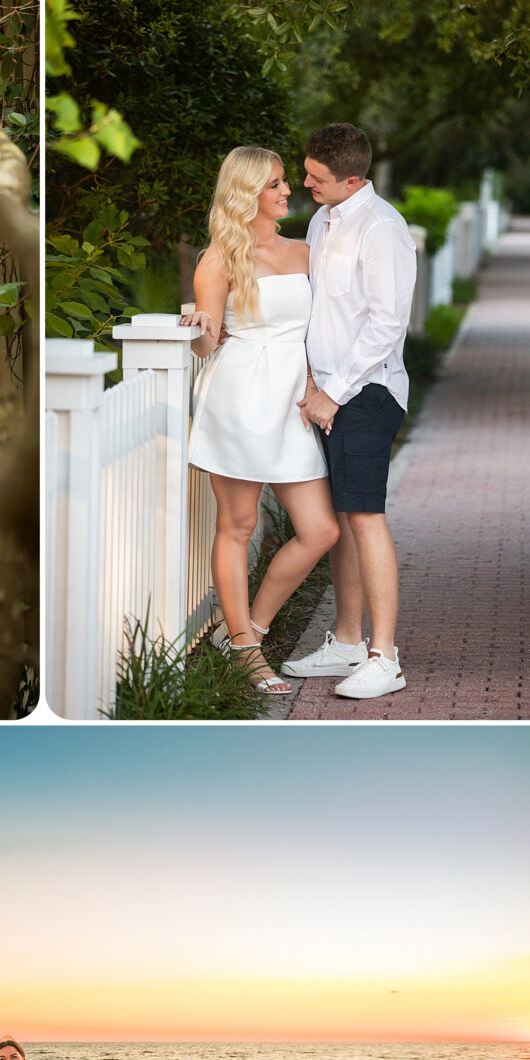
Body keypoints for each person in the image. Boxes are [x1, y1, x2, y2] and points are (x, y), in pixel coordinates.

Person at [184, 146, 341, 695]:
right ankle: (247, 654)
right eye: (274, 184)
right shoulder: (219, 258)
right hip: (239, 397)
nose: (286, 191)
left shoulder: (303, 252)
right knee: (238, 526)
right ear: (247, 191)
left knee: (320, 530)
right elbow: (206, 344)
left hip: (292, 401)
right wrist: (198, 323)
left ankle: (249, 629)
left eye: (283, 182)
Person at [283, 125, 417, 702]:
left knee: (364, 515)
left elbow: (388, 324)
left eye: (316, 177)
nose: (305, 183)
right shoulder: (322, 218)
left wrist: (333, 392)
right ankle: (344, 640)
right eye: (307, 172)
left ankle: (384, 658)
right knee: (341, 517)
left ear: (354, 179)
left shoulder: (382, 228)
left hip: (368, 392)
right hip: (327, 391)